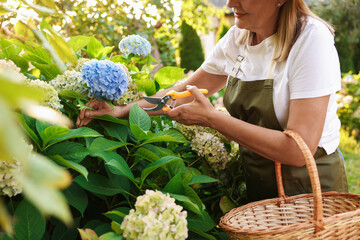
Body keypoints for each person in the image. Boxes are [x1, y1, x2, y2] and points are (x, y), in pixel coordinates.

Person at [77, 0, 348, 202]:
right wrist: (121, 110)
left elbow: (297, 150)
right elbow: (181, 92)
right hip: (259, 185)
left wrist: (212, 118)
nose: (230, 4)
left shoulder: (310, 40)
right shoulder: (238, 39)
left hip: (311, 192)